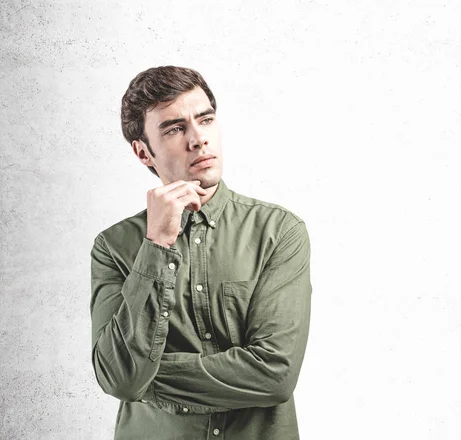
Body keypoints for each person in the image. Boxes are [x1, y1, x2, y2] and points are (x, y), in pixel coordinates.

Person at [89, 66, 312, 439]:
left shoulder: (278, 232)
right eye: (174, 129)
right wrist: (156, 243)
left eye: (205, 120)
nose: (198, 139)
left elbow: (276, 375)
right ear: (143, 151)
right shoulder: (114, 247)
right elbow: (119, 377)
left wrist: (145, 379)